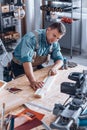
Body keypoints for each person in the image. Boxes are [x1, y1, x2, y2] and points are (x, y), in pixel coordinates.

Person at [11, 22, 66, 90]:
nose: (55, 40)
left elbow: (60, 59)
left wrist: (55, 68)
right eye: (54, 35)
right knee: (26, 89)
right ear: (48, 29)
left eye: (58, 38)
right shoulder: (31, 38)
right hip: (20, 67)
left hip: (35, 65)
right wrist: (33, 81)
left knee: (47, 83)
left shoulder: (54, 42)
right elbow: (26, 61)